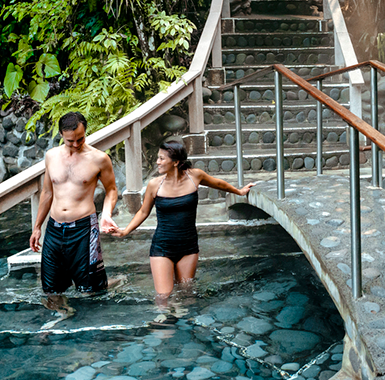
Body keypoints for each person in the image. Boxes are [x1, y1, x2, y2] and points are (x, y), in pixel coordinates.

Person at [111, 140, 255, 301]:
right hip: (162, 247)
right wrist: (125, 231)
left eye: (161, 158)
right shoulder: (155, 185)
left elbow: (218, 183)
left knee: (187, 294)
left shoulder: (195, 176)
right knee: (164, 297)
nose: (157, 162)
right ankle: (164, 323)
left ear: (176, 162)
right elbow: (143, 212)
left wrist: (239, 191)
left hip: (188, 246)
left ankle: (185, 323)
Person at [30, 111, 123, 321]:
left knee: (90, 291)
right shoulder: (52, 156)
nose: (75, 144)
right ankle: (64, 315)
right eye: (70, 140)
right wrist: (37, 227)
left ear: (85, 132)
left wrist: (106, 214)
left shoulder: (99, 158)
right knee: (51, 290)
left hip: (84, 228)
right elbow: (46, 192)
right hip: (54, 229)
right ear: (62, 135)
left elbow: (111, 190)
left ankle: (111, 287)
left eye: (80, 138)